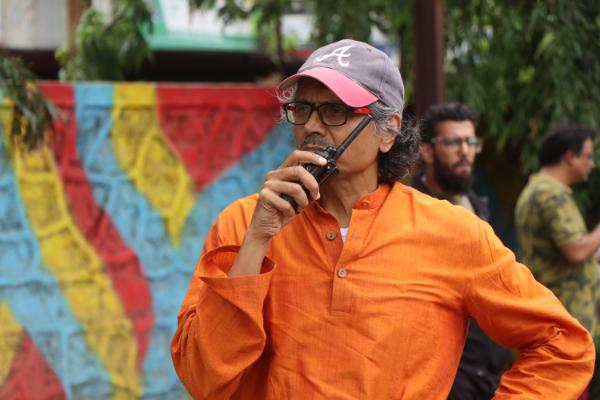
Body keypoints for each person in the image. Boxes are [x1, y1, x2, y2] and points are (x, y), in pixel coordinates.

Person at [171, 39, 594, 399]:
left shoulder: (453, 232)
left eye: (335, 111)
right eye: (302, 109)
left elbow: (563, 345)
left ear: (388, 130)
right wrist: (258, 240)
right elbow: (202, 376)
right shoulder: (244, 222)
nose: (312, 126)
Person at [411, 102, 510, 399]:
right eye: (454, 142)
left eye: (471, 142)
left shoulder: (476, 205)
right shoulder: (410, 211)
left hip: (488, 362)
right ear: (427, 151)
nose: (465, 151)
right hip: (445, 369)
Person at [515, 123, 600, 398]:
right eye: (588, 156)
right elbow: (576, 250)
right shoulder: (549, 193)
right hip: (565, 325)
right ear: (569, 156)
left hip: (562, 324)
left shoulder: (544, 189)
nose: (592, 163)